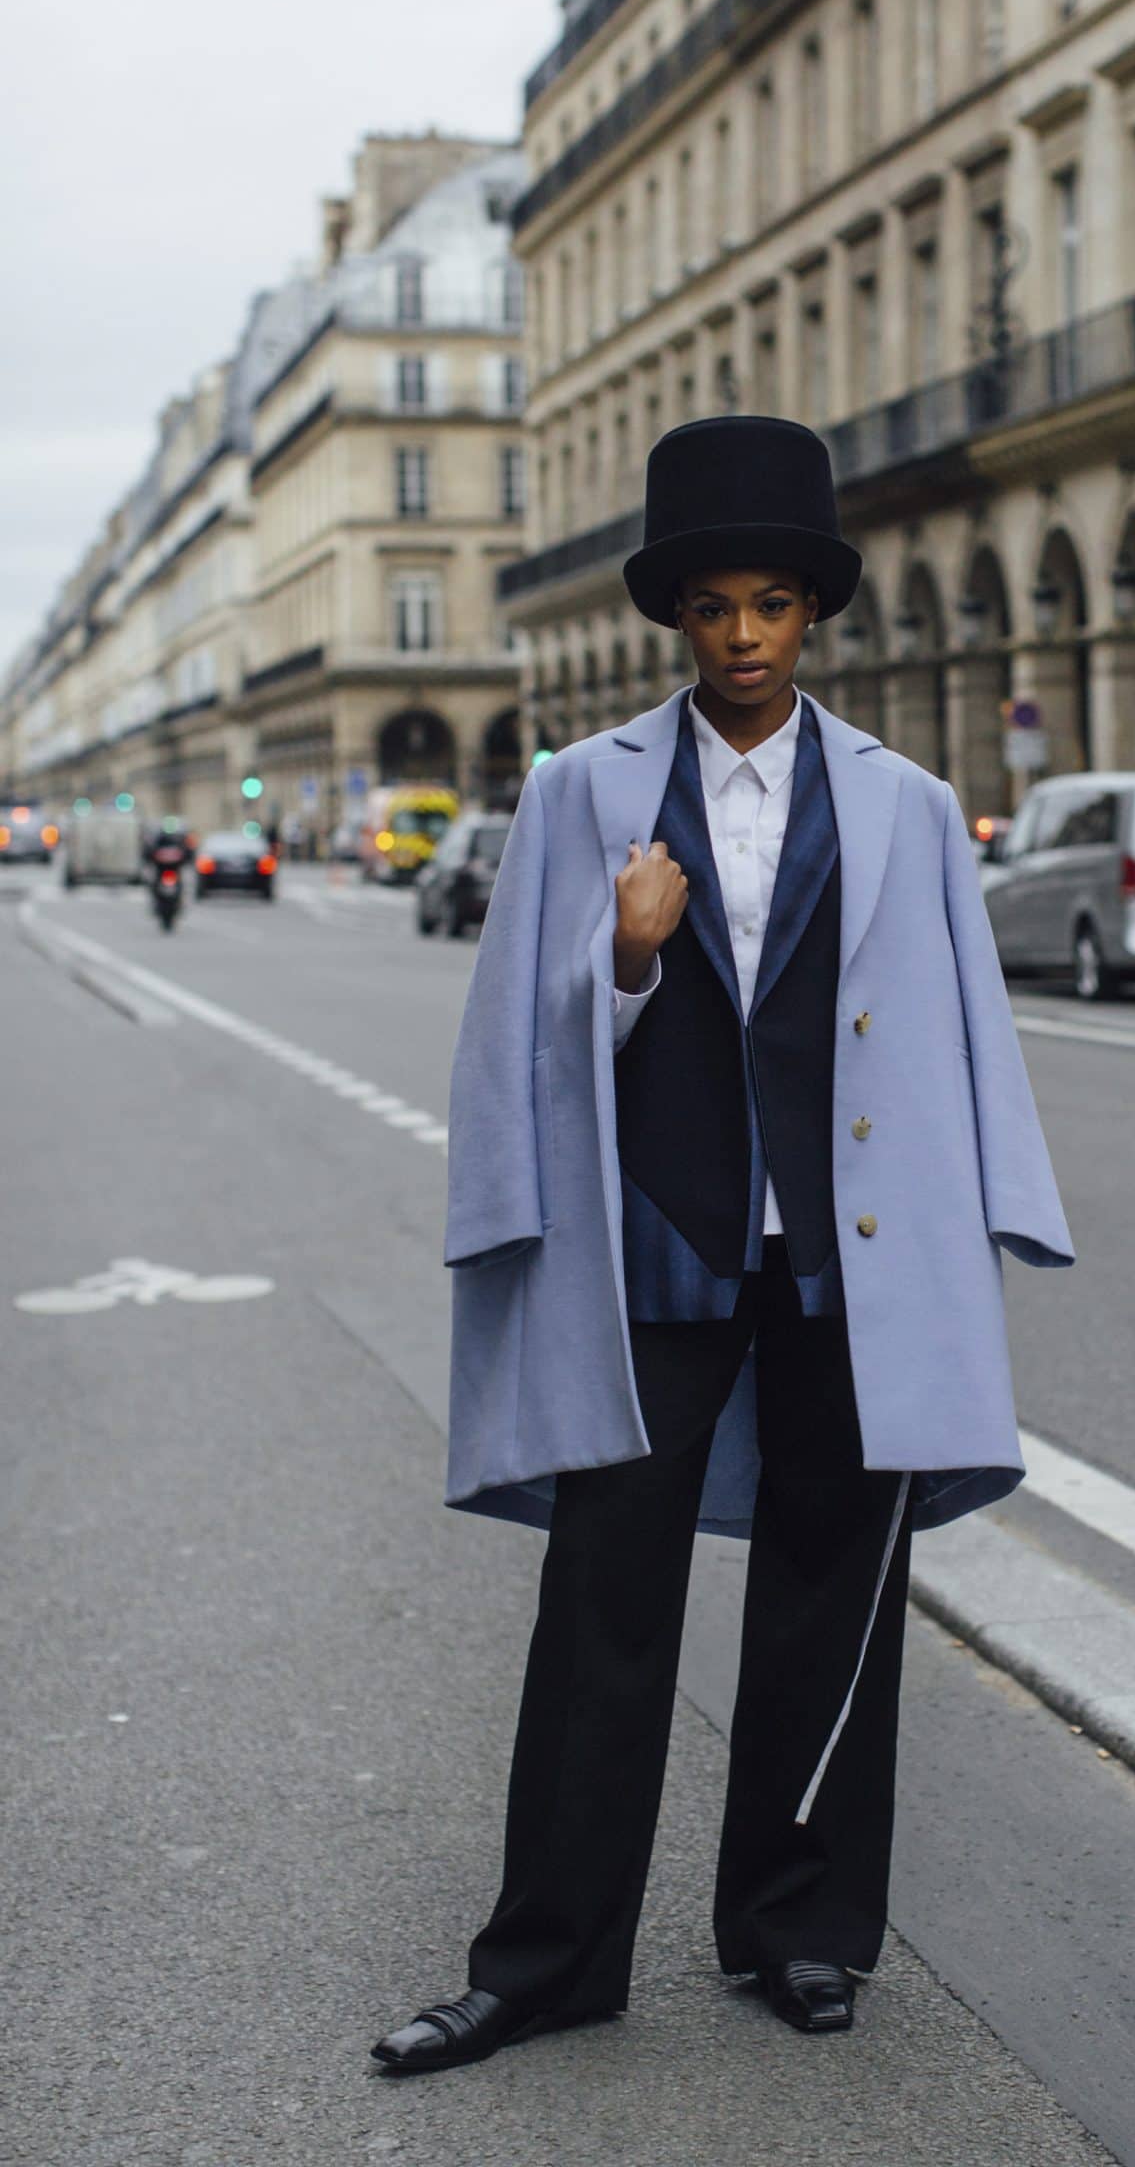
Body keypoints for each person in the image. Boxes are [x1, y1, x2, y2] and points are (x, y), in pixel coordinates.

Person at [372, 416, 1072, 2078]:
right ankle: (543, 1960)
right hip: (660, 1245)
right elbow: (514, 1034)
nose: (744, 635)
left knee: (836, 1593)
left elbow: (966, 1029)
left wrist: (1006, 1228)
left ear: (810, 613)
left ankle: (799, 1932)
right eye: (713, 606)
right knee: (605, 1593)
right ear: (676, 617)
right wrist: (622, 957)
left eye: (771, 603)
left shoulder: (904, 806)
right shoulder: (581, 791)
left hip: (853, 1250)